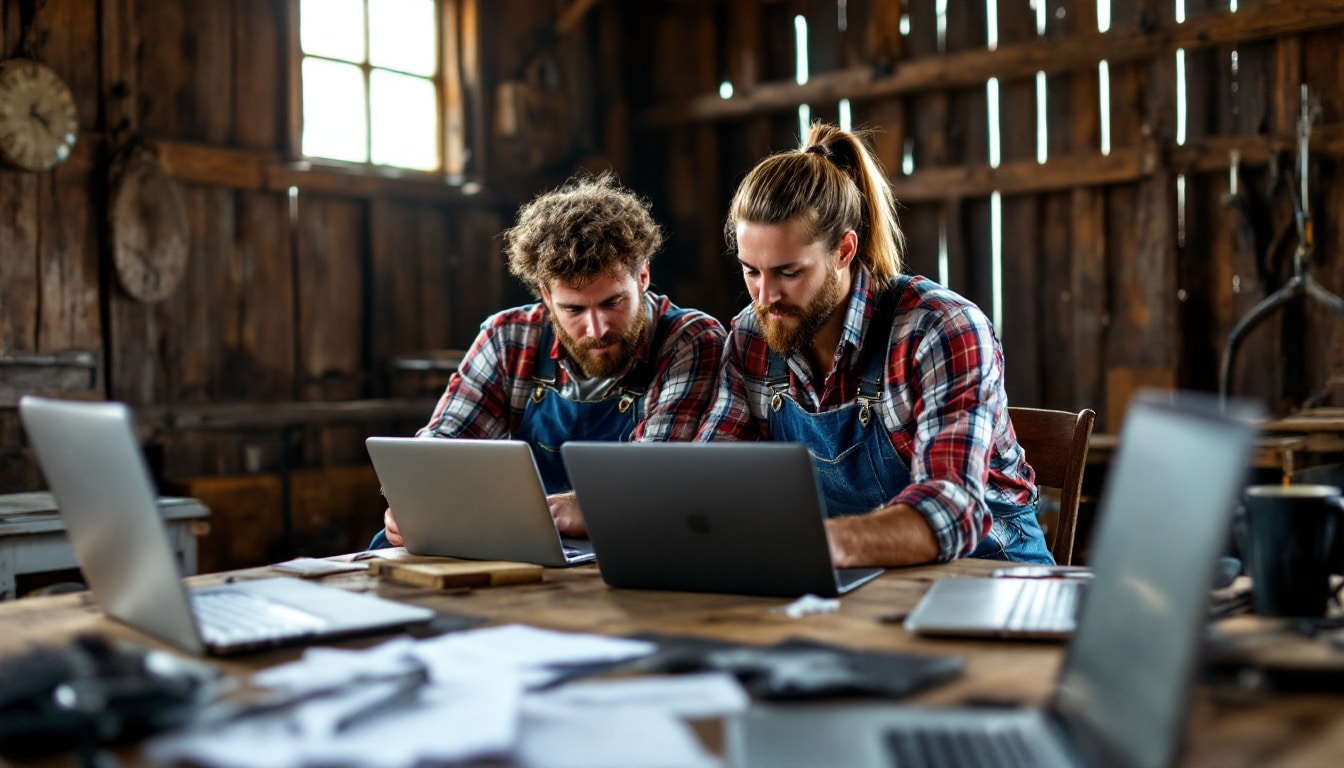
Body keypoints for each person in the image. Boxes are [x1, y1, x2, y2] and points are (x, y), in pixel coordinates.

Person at [696, 123, 1052, 567]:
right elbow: (713, 479)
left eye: (788, 273)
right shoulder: (751, 336)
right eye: (751, 271)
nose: (765, 298)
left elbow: (952, 510)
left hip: (990, 574)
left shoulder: (940, 330)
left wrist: (813, 544)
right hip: (851, 579)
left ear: (845, 250)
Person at [374, 173, 725, 548]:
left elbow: (658, 474)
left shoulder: (689, 340)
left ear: (643, 276)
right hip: (529, 544)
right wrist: (417, 494)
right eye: (574, 309)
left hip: (631, 546)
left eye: (612, 302)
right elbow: (445, 442)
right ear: (545, 294)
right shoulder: (507, 337)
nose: (597, 328)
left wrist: (584, 504)